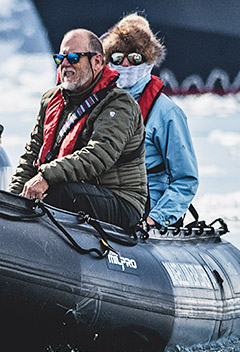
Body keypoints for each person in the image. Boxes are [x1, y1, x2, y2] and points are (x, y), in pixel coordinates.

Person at [10, 29, 148, 230]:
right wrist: (12, 201)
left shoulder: (119, 104)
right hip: (77, 188)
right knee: (39, 195)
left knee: (59, 194)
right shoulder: (51, 100)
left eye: (74, 58)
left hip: (120, 200)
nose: (65, 64)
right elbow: (32, 153)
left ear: (97, 62)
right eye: (61, 58)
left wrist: (46, 176)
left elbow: (99, 154)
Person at [101, 14, 197, 228]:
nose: (125, 64)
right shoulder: (99, 104)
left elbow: (185, 178)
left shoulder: (166, 112)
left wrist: (156, 218)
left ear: (148, 60)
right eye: (117, 58)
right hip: (105, 201)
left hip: (144, 206)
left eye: (134, 58)